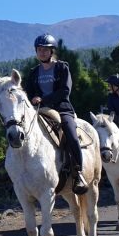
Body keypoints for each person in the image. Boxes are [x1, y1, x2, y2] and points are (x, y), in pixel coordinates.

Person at [24, 34, 88, 195]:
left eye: (45, 49)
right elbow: (29, 92)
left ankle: (78, 173)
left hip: (61, 109)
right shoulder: (33, 72)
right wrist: (32, 99)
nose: (42, 52)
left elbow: (65, 91)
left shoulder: (62, 67)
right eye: (39, 49)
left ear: (52, 51)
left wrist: (43, 99)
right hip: (40, 111)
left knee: (71, 134)